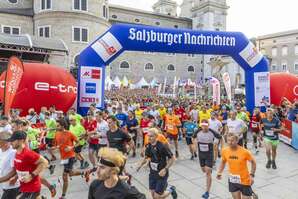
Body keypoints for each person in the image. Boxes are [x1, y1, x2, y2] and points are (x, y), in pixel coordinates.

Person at [0, 131, 49, 199]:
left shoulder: (27, 153)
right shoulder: (17, 153)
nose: (11, 143)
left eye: (13, 141)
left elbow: (45, 162)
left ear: (21, 140)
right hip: (24, 187)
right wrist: (16, 177)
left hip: (33, 188)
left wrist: (31, 176)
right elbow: (21, 168)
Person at [137, 129, 177, 199]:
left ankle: (171, 190)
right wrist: (140, 165)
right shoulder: (149, 146)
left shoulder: (162, 146)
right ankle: (164, 190)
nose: (149, 138)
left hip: (162, 173)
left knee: (157, 196)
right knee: (153, 194)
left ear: (156, 136)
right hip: (152, 173)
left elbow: (172, 158)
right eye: (148, 136)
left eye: (151, 136)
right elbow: (147, 157)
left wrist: (165, 169)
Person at [53, 119, 88, 199]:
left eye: (58, 125)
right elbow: (57, 145)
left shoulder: (69, 133)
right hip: (63, 157)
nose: (56, 127)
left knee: (64, 176)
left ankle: (63, 196)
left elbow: (78, 142)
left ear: (62, 126)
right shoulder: (57, 134)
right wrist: (54, 148)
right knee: (71, 173)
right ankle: (85, 173)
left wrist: (71, 147)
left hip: (70, 156)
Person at [216, 133, 257, 199]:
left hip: (244, 180)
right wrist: (219, 172)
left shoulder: (245, 152)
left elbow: (253, 162)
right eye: (228, 140)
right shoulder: (225, 151)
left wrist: (252, 175)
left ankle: (251, 194)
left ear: (237, 141)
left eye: (232, 140)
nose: (230, 142)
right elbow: (223, 162)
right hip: (233, 180)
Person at [192, 120, 222, 199]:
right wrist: (195, 145)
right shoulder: (197, 131)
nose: (204, 127)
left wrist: (218, 145)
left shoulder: (212, 132)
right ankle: (209, 168)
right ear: (201, 125)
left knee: (208, 172)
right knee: (204, 170)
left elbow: (220, 137)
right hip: (201, 154)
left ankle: (207, 192)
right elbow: (193, 137)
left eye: (206, 125)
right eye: (202, 126)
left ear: (208, 125)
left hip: (209, 154)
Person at [0, 131, 20, 199]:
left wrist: (1, 179)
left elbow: (14, 170)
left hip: (12, 187)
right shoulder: (0, 150)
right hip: (3, 186)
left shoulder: (13, 152)